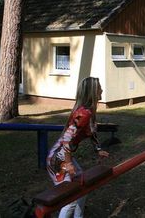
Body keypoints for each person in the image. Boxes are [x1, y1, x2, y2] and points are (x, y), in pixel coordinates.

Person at [46, 77, 109, 217]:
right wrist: (68, 163)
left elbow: (92, 132)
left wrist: (98, 150)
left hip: (63, 155)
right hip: (58, 159)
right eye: (99, 88)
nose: (102, 90)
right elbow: (67, 140)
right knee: (69, 200)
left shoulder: (90, 112)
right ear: (93, 91)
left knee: (83, 187)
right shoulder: (84, 113)